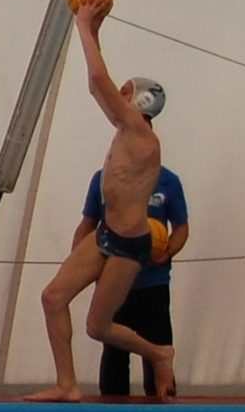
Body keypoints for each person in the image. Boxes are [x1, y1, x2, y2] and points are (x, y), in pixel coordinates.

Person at [27, 0, 174, 401]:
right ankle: (67, 385)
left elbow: (96, 79)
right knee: (53, 298)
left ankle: (159, 353)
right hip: (106, 232)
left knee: (98, 327)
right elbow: (101, 85)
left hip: (128, 244)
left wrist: (82, 25)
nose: (117, 92)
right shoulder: (127, 129)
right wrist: (94, 30)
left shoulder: (140, 134)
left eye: (125, 90)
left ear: (138, 102)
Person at [79, 162, 187, 397]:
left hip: (153, 284)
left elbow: (181, 228)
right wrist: (81, 267)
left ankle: (164, 408)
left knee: (157, 353)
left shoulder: (168, 180)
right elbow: (87, 225)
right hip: (114, 284)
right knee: (114, 356)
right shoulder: (102, 179)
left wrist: (167, 251)